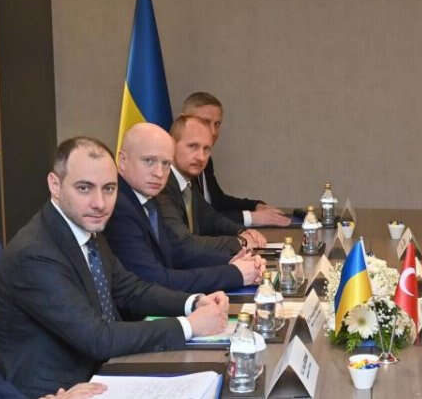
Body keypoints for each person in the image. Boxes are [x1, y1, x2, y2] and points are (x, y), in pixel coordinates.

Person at [0, 137, 229, 397]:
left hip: (102, 371)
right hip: (57, 389)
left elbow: (130, 290)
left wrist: (194, 303)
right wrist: (189, 326)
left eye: (109, 189)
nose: (100, 203)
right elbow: (96, 337)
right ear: (55, 185)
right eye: (84, 188)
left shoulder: (84, 227)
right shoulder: (35, 253)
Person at [104, 123, 265, 293]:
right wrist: (234, 273)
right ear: (122, 160)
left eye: (166, 163)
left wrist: (233, 263)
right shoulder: (118, 207)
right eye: (149, 161)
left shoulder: (149, 199)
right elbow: (156, 280)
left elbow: (174, 256)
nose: (159, 173)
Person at [157, 115, 267, 256]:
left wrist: (242, 232)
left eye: (206, 149)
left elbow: (210, 218)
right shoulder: (161, 185)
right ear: (171, 145)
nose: (201, 157)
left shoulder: (187, 181)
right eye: (193, 146)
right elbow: (182, 244)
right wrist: (240, 242)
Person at [181, 91, 290, 226]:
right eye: (205, 122)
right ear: (183, 121)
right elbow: (198, 218)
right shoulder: (174, 163)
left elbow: (217, 201)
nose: (213, 132)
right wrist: (252, 217)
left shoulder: (206, 159)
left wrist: (255, 206)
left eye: (217, 124)